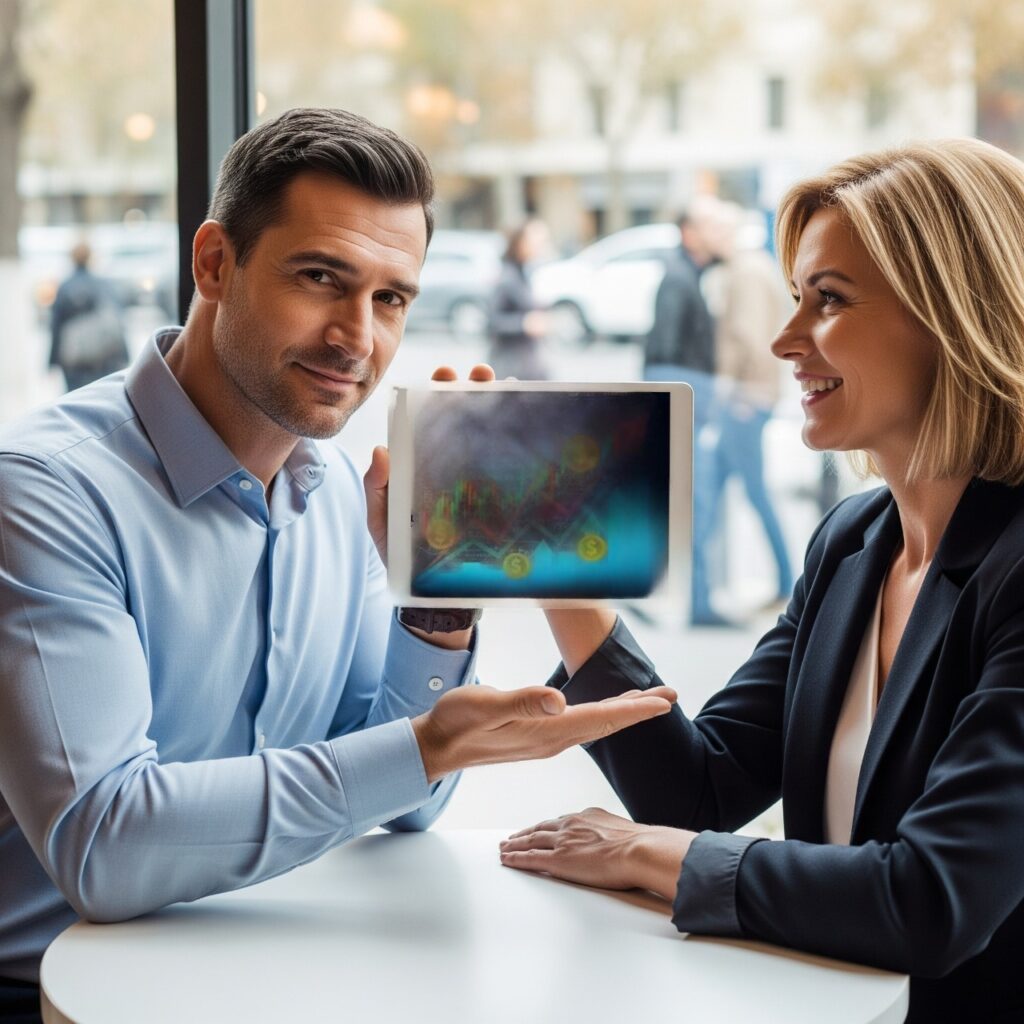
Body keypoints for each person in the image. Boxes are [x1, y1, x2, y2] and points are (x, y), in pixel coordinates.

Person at [0, 108, 675, 1019]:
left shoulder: (329, 490)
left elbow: (405, 803)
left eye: (392, 299)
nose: (357, 336)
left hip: (264, 968)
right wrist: (425, 747)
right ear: (213, 263)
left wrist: (436, 602)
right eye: (323, 278)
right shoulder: (48, 493)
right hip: (56, 996)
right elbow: (105, 849)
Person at [501, 139, 1024, 1023]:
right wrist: (557, 570)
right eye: (795, 298)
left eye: (828, 300)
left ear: (951, 313)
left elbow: (931, 899)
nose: (786, 340)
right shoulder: (855, 543)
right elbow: (702, 791)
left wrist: (643, 854)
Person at [705, 203, 794, 611]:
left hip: (746, 398)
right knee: (710, 492)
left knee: (756, 493)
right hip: (751, 395)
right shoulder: (753, 269)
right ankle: (696, 590)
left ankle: (787, 583)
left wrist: (733, 393)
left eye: (716, 229)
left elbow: (747, 335)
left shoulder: (745, 272)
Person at [643, 202, 723, 625]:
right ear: (689, 232)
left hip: (689, 400)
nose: (717, 234)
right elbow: (666, 354)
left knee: (693, 502)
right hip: (686, 402)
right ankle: (694, 601)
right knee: (695, 500)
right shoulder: (678, 278)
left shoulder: (690, 274)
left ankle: (697, 599)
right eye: (709, 224)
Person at [48, 241, 130, 392]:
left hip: (74, 360)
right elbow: (117, 322)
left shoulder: (66, 287)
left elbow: (56, 325)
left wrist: (52, 361)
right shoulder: (103, 285)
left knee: (75, 401)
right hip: (103, 358)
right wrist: (125, 355)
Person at [486, 217, 551, 380]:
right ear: (520, 243)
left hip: (525, 363)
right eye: (535, 241)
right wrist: (524, 324)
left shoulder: (524, 272)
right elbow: (492, 322)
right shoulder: (507, 277)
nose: (540, 247)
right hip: (510, 367)